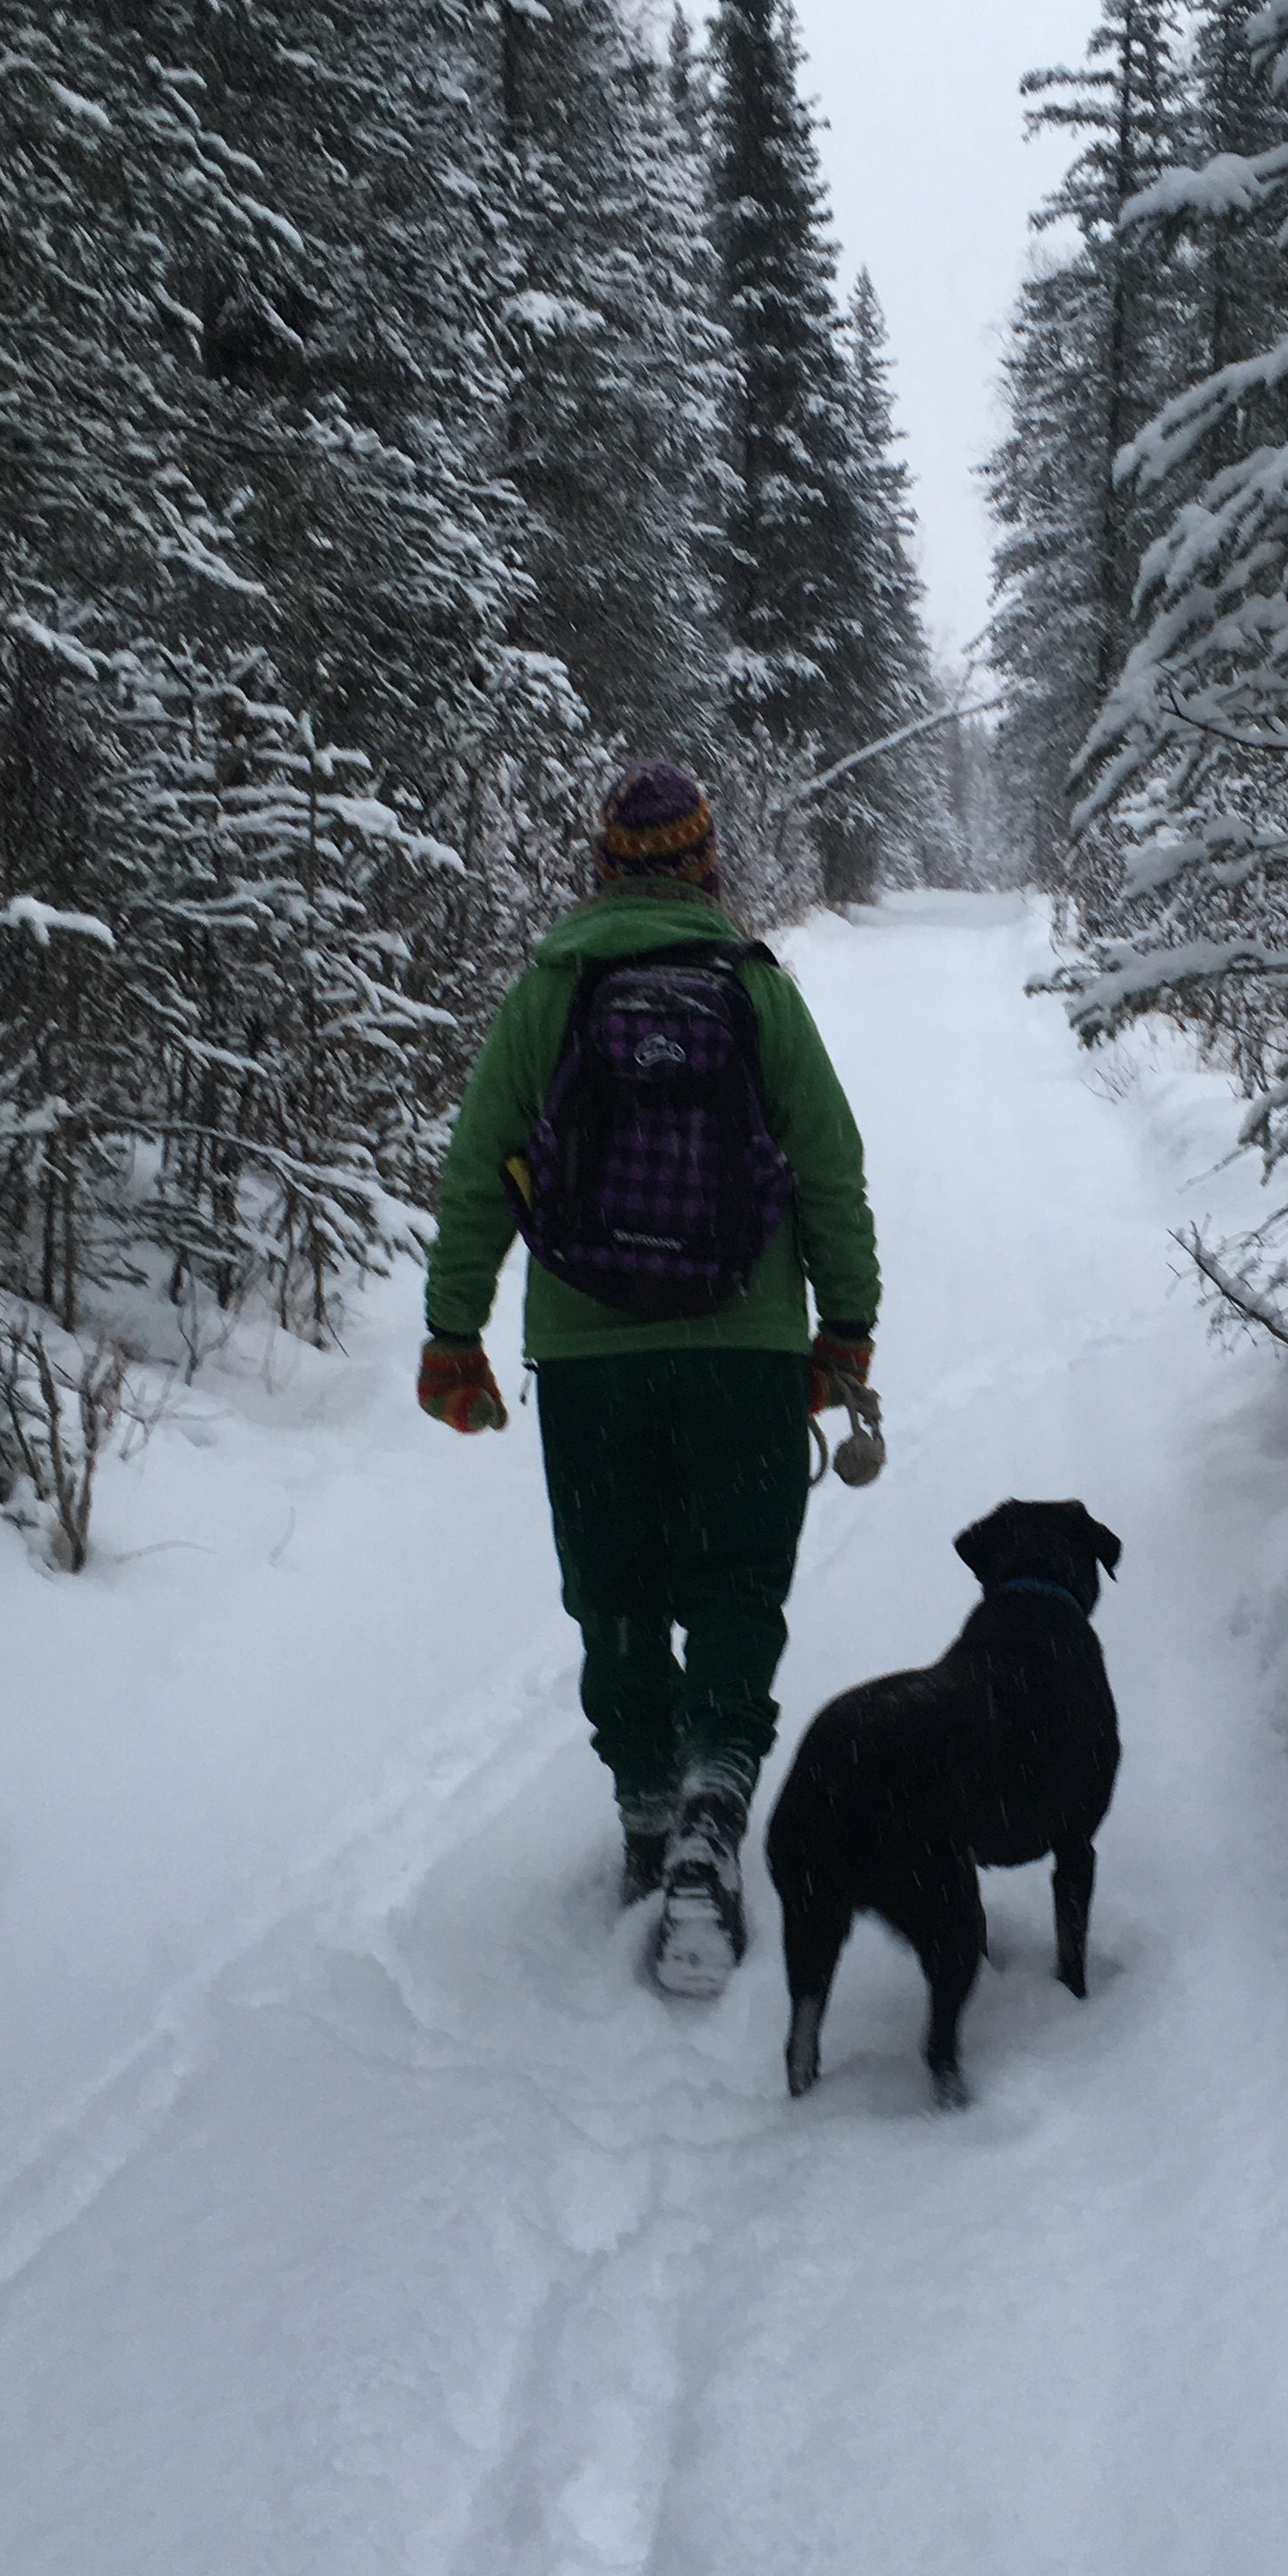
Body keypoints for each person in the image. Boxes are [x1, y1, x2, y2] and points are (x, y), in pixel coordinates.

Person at [415, 763, 878, 1989]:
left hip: (588, 1349)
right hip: (748, 1343)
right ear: (708, 867)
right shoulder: (757, 991)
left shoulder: (549, 991)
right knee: (735, 1579)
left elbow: (477, 1172)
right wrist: (848, 1327)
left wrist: (452, 1333)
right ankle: (717, 1804)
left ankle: (643, 1811)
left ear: (604, 867)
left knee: (616, 1581)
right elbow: (830, 1166)